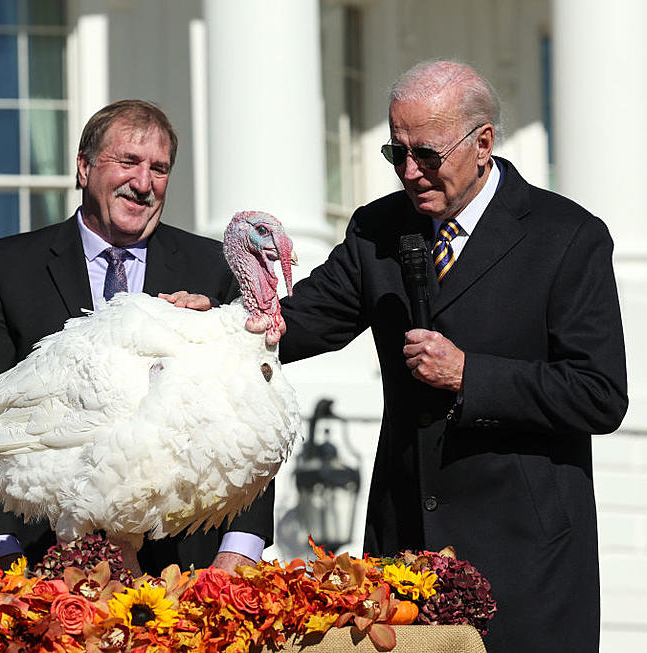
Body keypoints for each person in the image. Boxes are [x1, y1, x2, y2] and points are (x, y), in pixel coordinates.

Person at [266, 61, 626, 653]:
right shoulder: (378, 229)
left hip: (525, 567)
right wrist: (208, 322)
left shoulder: (566, 237)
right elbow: (295, 323)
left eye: (427, 154)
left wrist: (470, 375)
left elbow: (598, 394)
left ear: (482, 142)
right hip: (404, 559)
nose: (410, 172)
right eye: (395, 152)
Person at [0, 99, 274, 575]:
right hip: (38, 565)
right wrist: (1, 557)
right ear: (84, 167)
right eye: (128, 162)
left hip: (184, 572)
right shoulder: (9, 267)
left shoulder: (213, 271)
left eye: (159, 169)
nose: (143, 184)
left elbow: (252, 421)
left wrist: (236, 556)